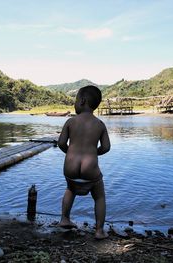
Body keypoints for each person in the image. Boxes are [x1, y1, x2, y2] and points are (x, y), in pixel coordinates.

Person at [58, 85, 111, 239]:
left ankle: (64, 219)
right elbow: (106, 147)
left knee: (70, 189)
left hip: (70, 169)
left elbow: (61, 143)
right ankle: (99, 230)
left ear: (82, 101)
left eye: (75, 100)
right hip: (90, 170)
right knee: (99, 196)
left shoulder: (70, 122)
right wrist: (94, 153)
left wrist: (70, 153)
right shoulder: (100, 124)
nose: (74, 104)